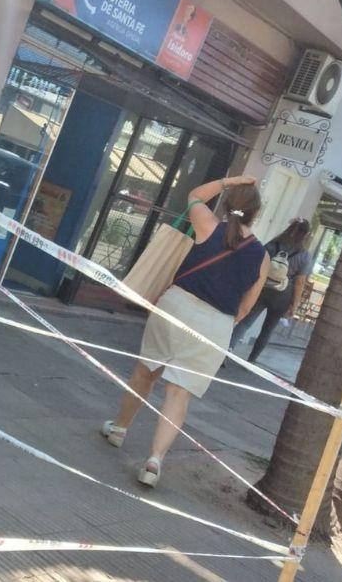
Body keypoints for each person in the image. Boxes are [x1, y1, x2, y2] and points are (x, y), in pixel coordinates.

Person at [100, 177, 269, 487]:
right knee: (179, 393)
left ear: (227, 205)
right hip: (216, 324)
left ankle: (120, 428)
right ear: (256, 213)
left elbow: (195, 195)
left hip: (176, 306)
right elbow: (247, 307)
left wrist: (230, 180)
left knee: (146, 371)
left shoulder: (208, 225)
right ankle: (154, 461)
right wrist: (219, 324)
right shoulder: (262, 256)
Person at [231, 218, 313, 363]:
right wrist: (294, 306)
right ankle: (251, 360)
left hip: (262, 288)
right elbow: (300, 282)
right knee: (268, 329)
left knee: (245, 321)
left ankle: (228, 350)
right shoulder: (304, 255)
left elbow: (257, 262)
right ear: (305, 235)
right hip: (283, 295)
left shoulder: (273, 244)